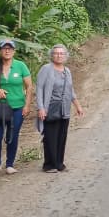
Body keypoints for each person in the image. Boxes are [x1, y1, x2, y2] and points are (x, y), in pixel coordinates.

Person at [0, 38, 32, 178]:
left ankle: (10, 164)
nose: (7, 51)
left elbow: (29, 86)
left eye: (9, 48)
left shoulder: (20, 66)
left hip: (17, 107)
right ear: (0, 51)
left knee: (12, 135)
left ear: (14, 51)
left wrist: (27, 105)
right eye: (4, 48)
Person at [35, 44, 84, 173]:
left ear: (66, 56)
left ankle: (59, 163)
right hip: (50, 107)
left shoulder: (67, 71)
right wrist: (41, 108)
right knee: (50, 136)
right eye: (56, 53)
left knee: (62, 137)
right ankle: (49, 165)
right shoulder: (46, 69)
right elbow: (39, 88)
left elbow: (70, 90)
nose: (59, 55)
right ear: (52, 55)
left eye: (61, 53)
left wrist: (77, 105)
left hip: (64, 108)